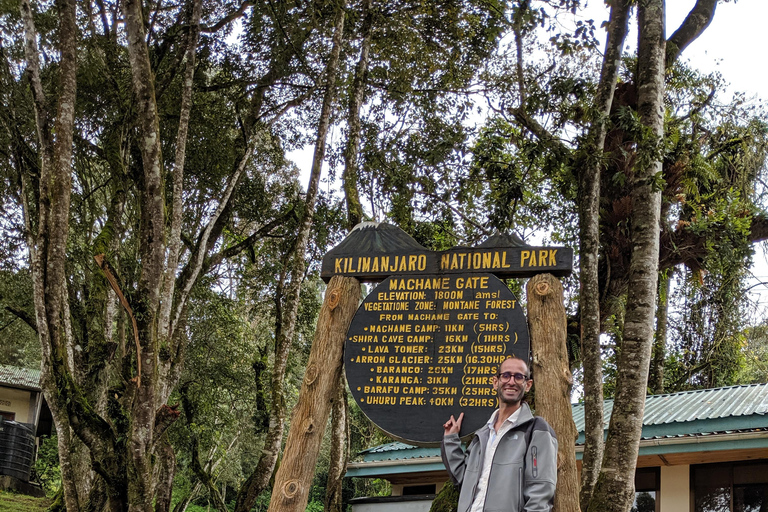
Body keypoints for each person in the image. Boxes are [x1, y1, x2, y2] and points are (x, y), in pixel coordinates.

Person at [440, 356, 557, 512]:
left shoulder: (536, 429)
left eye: (519, 377)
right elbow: (463, 478)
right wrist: (450, 439)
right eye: (506, 375)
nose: (511, 381)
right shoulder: (482, 435)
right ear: (496, 382)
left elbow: (541, 490)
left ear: (527, 385)